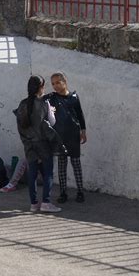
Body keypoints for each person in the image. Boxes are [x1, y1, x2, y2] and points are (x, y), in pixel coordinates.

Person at [15, 75, 62, 213]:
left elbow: (20, 126)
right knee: (48, 173)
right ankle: (46, 202)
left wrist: (26, 141)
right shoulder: (44, 103)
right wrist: (52, 112)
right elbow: (51, 123)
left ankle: (34, 204)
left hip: (28, 144)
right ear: (41, 87)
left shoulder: (22, 104)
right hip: (43, 143)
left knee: (32, 174)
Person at [46, 72, 87, 203]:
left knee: (76, 163)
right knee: (62, 164)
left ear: (65, 81)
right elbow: (39, 101)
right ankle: (63, 192)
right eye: (53, 83)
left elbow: (80, 114)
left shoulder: (74, 97)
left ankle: (80, 191)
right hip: (60, 135)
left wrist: (83, 131)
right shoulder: (52, 98)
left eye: (58, 82)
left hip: (73, 134)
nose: (55, 86)